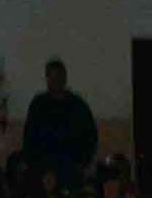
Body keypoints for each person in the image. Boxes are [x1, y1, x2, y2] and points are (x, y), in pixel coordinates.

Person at [21, 56, 100, 187]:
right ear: (47, 79)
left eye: (58, 76)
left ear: (65, 78)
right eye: (51, 77)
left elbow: (90, 136)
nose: (55, 81)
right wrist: (32, 164)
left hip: (71, 168)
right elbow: (29, 137)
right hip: (43, 169)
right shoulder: (39, 105)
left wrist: (83, 163)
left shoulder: (77, 105)